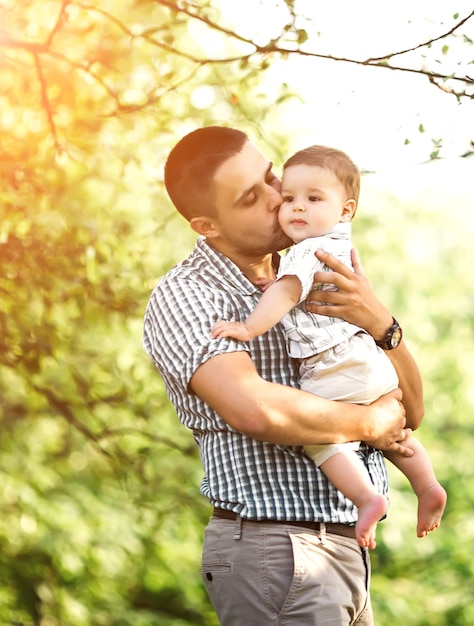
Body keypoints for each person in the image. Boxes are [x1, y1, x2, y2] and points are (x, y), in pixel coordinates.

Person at [143, 126, 423, 625]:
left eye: (272, 177)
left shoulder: (313, 270)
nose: (279, 199)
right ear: (207, 225)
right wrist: (370, 424)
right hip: (277, 549)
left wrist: (382, 323)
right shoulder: (188, 296)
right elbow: (255, 409)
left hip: (343, 550)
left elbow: (412, 412)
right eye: (253, 196)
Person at [211, 145, 447, 550]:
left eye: (313, 198)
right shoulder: (334, 247)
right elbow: (411, 414)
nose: (294, 207)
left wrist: (248, 327)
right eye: (290, 198)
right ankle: (427, 484)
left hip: (332, 367)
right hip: (367, 360)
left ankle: (366, 498)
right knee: (391, 430)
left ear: (346, 210)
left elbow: (286, 294)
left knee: (320, 438)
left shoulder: (306, 251)